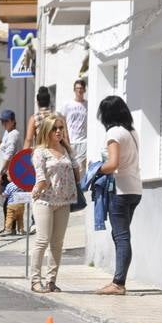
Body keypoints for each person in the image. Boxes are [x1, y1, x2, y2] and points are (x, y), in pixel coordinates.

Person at [95, 96, 142, 295]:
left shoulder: (114, 132)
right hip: (135, 189)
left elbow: (113, 164)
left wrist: (96, 170)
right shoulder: (132, 132)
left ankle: (118, 283)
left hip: (121, 190)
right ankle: (118, 279)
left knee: (121, 237)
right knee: (121, 236)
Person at [29, 114, 79, 293]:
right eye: (55, 128)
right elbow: (41, 177)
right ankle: (35, 280)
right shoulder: (40, 152)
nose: (58, 131)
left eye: (61, 128)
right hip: (44, 200)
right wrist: (37, 190)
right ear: (47, 131)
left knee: (57, 243)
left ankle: (51, 281)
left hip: (63, 202)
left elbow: (77, 175)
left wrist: (73, 159)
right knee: (42, 240)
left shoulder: (67, 150)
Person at [0, 109, 24, 235]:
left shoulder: (14, 134)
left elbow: (9, 154)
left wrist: (0, 174)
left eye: (6, 121)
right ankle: (9, 226)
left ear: (13, 121)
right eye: (2, 121)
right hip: (6, 171)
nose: (4, 124)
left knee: (10, 200)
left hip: (11, 172)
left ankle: (10, 228)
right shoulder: (8, 132)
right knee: (9, 200)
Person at [62, 79, 88, 174]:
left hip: (84, 141)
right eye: (77, 88)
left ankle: (79, 187)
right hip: (71, 141)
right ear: (74, 90)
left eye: (81, 88)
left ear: (84, 90)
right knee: (70, 166)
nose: (79, 91)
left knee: (81, 168)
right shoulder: (67, 105)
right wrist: (65, 136)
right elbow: (62, 120)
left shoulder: (88, 104)